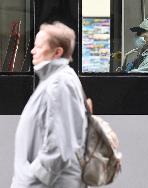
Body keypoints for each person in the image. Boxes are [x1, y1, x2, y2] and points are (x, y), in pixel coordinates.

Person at [10, 22, 87, 188]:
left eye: (39, 46)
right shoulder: (56, 80)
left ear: (57, 52)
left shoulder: (58, 84)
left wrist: (31, 179)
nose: (32, 50)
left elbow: (59, 146)